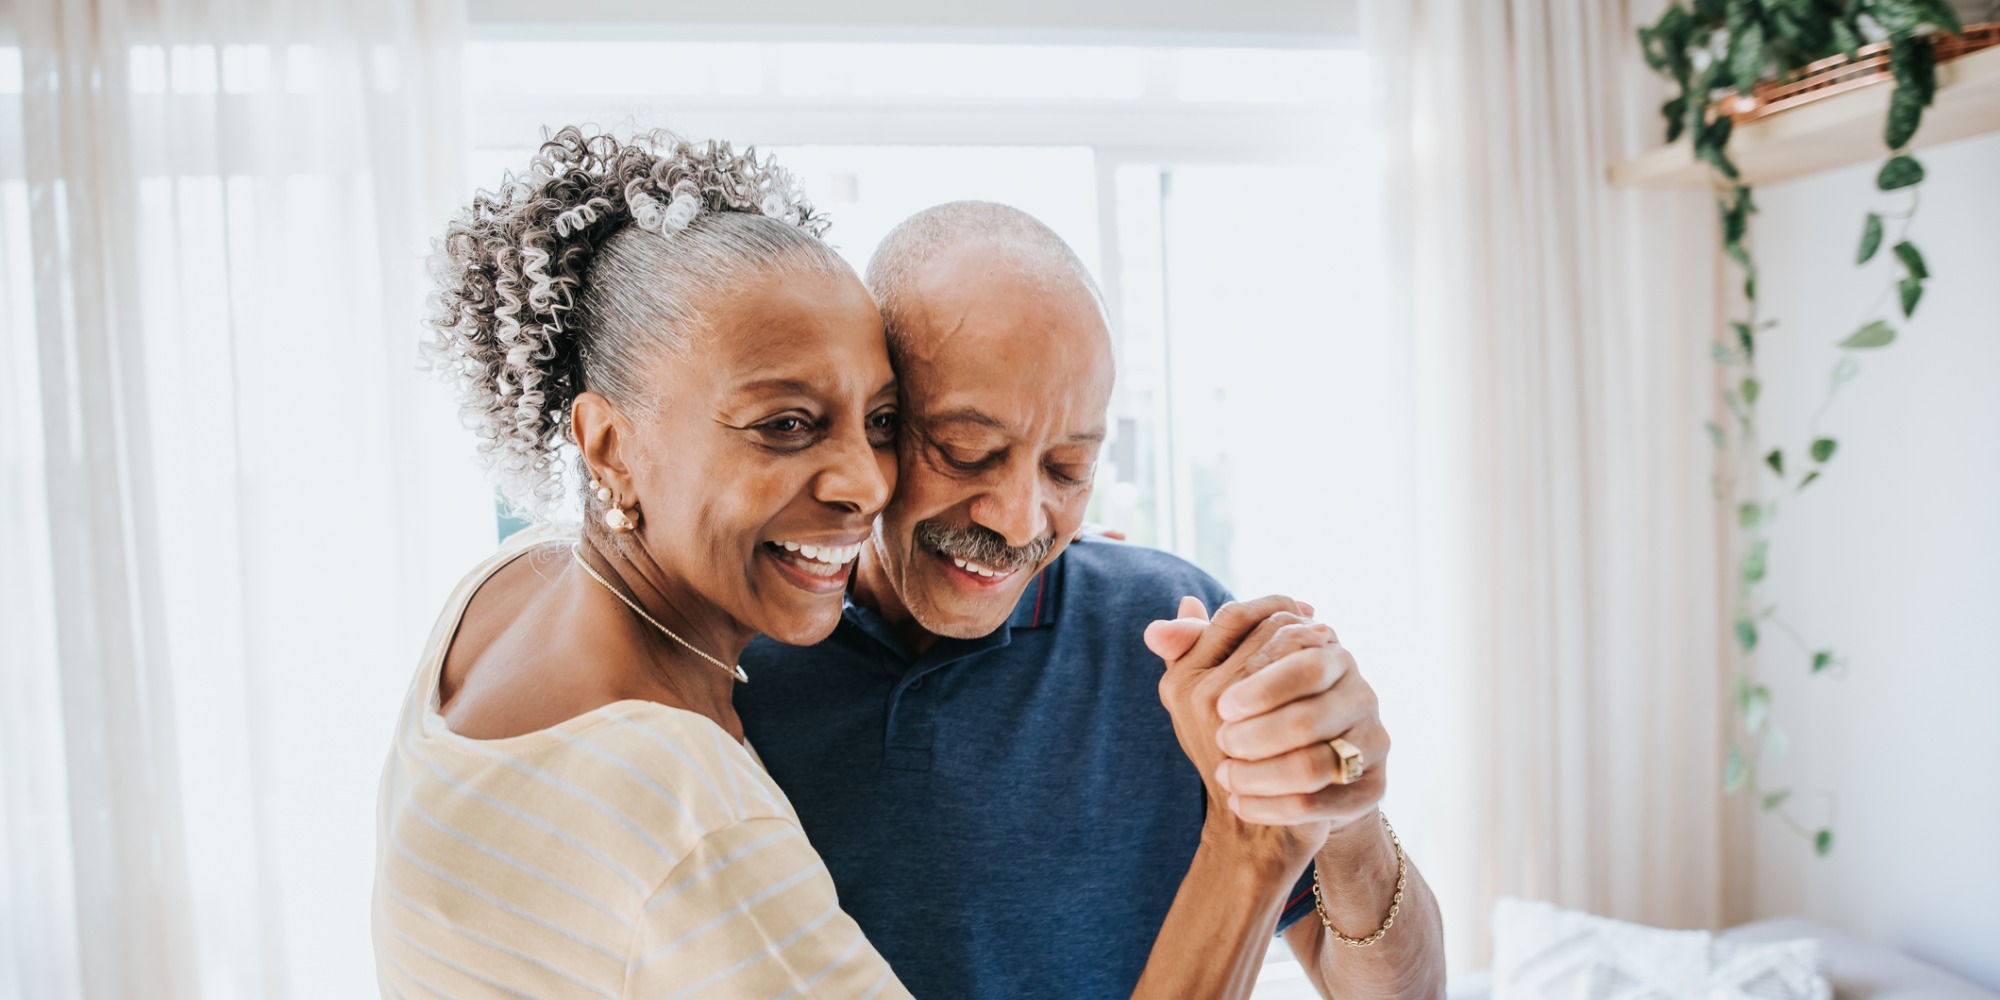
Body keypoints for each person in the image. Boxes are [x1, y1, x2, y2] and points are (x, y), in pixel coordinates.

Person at [373, 129, 1335, 998]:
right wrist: (1252, 846)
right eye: (785, 424)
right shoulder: (694, 816)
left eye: (878, 424)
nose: (864, 485)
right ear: (610, 447)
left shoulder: (500, 593)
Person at [736, 202, 1449, 999]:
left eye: (1067, 468)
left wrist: (1348, 822)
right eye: (967, 452)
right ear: (874, 418)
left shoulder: (1174, 634)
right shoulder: (733, 659)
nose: (1017, 520)